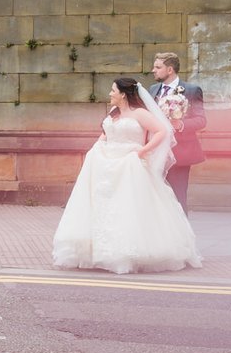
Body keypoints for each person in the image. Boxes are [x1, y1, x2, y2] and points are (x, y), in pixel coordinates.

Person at [51, 77, 202, 274]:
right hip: (105, 162)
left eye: (113, 90)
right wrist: (97, 146)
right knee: (101, 204)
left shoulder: (139, 113)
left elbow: (162, 131)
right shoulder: (114, 113)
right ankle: (97, 251)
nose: (110, 94)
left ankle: (128, 252)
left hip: (130, 163)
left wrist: (141, 152)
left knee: (128, 205)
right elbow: (106, 133)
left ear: (123, 94)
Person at [149, 52, 207, 213]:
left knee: (178, 196)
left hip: (180, 152)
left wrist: (180, 123)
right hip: (156, 150)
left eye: (157, 67)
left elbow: (201, 120)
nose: (153, 70)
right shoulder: (153, 89)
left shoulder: (191, 90)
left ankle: (183, 235)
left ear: (170, 70)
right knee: (156, 196)